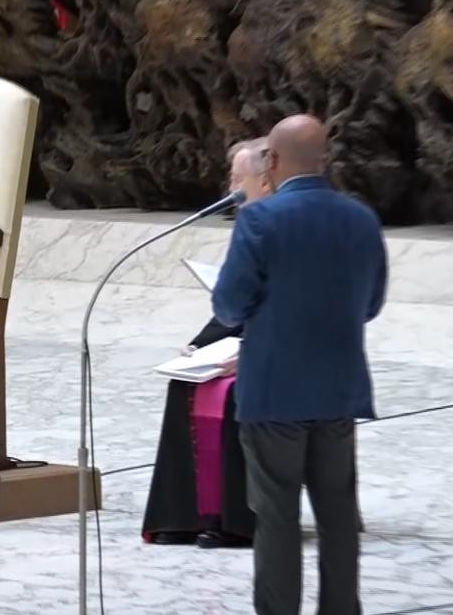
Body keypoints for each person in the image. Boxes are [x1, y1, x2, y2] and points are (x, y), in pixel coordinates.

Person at [213, 115, 388, 614]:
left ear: (271, 160)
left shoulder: (260, 220)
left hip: (274, 395)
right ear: (324, 159)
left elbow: (228, 307)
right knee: (337, 519)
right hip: (337, 393)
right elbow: (371, 304)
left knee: (278, 519)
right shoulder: (361, 219)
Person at [142, 139, 272, 549]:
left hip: (283, 351)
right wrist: (202, 345)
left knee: (232, 393)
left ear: (266, 181)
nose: (230, 187)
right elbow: (236, 303)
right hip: (249, 341)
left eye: (238, 178)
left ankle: (234, 522)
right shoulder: (250, 223)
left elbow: (298, 307)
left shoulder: (287, 226)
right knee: (186, 382)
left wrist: (251, 351)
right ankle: (184, 517)